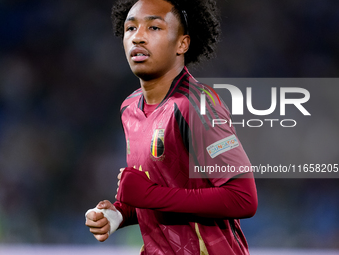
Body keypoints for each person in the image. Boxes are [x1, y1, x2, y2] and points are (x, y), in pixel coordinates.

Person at [85, 0, 258, 254]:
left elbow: (242, 198)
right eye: (131, 28)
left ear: (182, 44)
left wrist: (148, 196)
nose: (138, 37)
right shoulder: (130, 108)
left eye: (154, 28)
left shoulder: (196, 106)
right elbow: (160, 189)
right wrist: (121, 214)